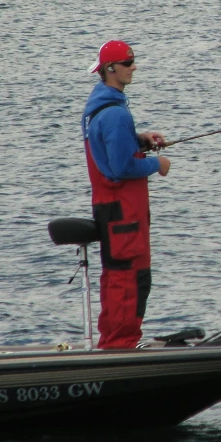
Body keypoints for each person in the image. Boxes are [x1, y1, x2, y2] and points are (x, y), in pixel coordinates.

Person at [80, 40, 171, 349]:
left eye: (134, 60)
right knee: (130, 281)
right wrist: (156, 163)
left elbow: (108, 148)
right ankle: (120, 346)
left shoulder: (99, 107)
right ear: (110, 69)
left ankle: (112, 341)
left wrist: (139, 140)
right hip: (124, 214)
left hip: (109, 211)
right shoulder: (115, 113)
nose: (134, 67)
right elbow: (119, 168)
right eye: (128, 62)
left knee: (116, 276)